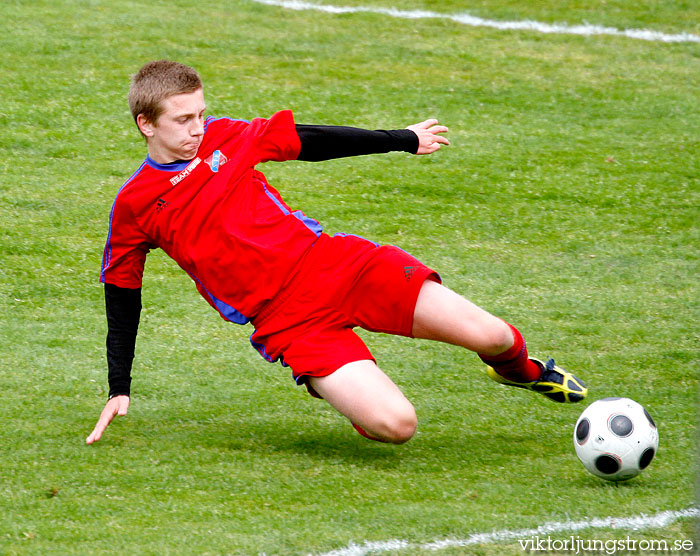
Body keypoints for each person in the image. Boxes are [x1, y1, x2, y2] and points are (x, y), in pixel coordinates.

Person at [86, 60, 586, 446]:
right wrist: (119, 386)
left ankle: (523, 373)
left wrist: (402, 139)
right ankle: (330, 382)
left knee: (495, 336)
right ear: (145, 124)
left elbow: (311, 139)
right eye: (183, 119)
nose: (198, 128)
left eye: (201, 113)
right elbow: (123, 295)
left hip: (340, 266)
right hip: (289, 322)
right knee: (397, 426)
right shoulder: (134, 207)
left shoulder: (228, 137)